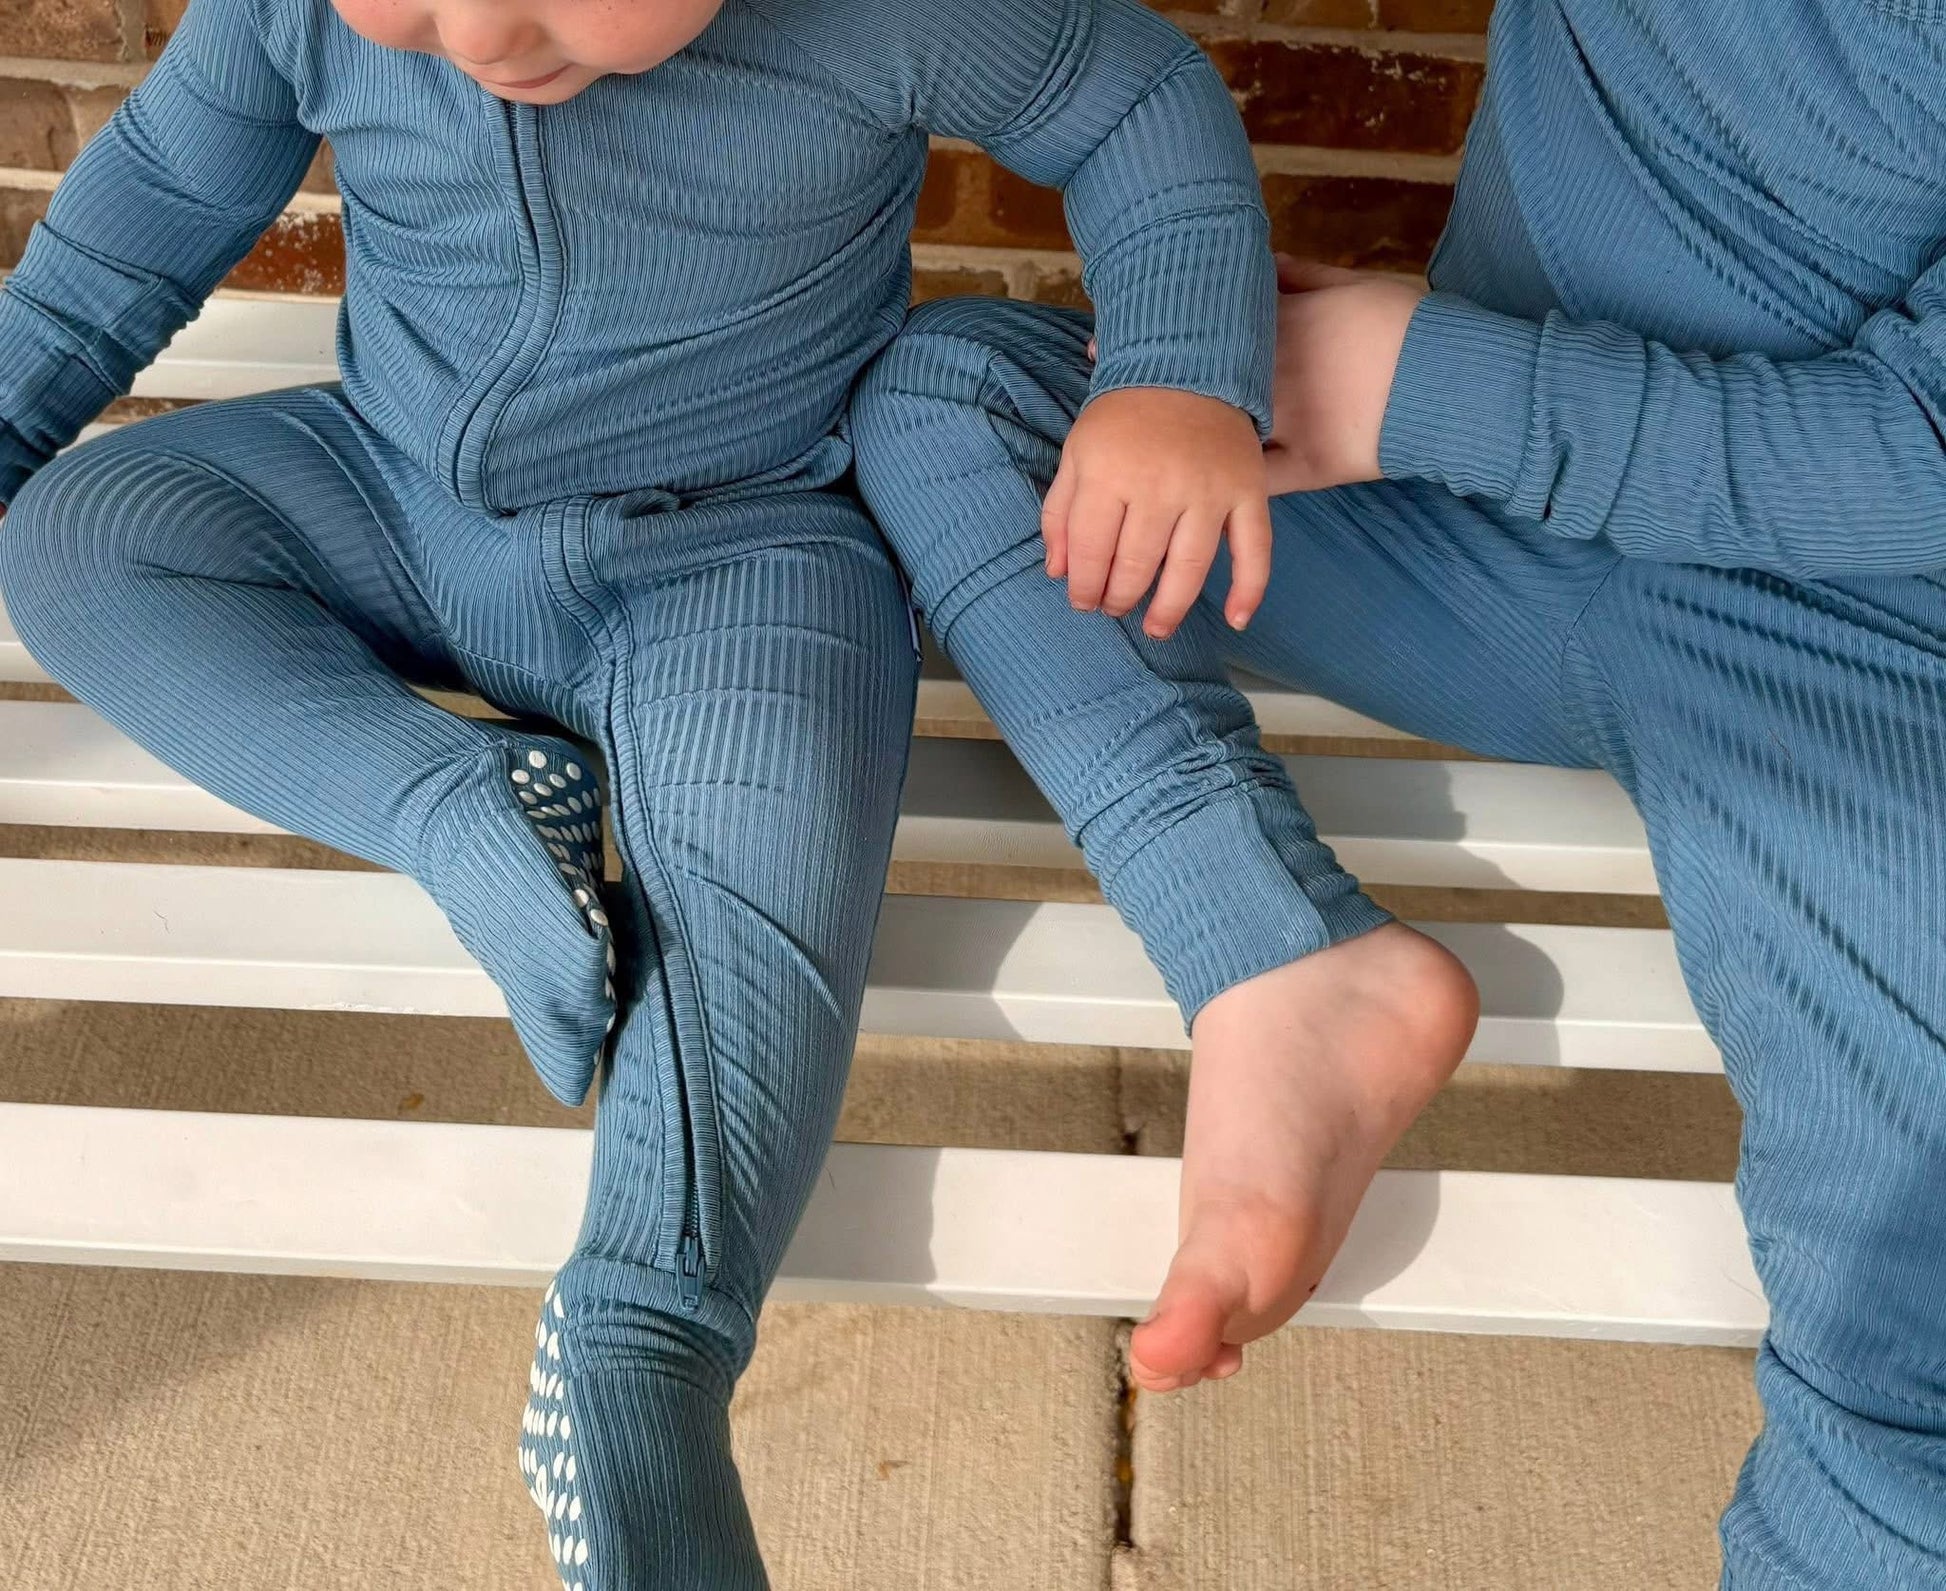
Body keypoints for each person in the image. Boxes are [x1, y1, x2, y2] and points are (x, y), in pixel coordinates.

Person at [0, 0, 1390, 1582]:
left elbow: (1131, 97)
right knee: (85, 533)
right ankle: (455, 804)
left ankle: (646, 1340)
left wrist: (1176, 374)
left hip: (737, 550)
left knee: (748, 884)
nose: (481, 30)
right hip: (385, 496)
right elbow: (124, 242)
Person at [850, 2, 1946, 1583]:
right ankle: (1275, 957)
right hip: (1467, 516)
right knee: (963, 392)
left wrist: (1427, 382)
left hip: (1845, 641)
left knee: (1903, 1283)